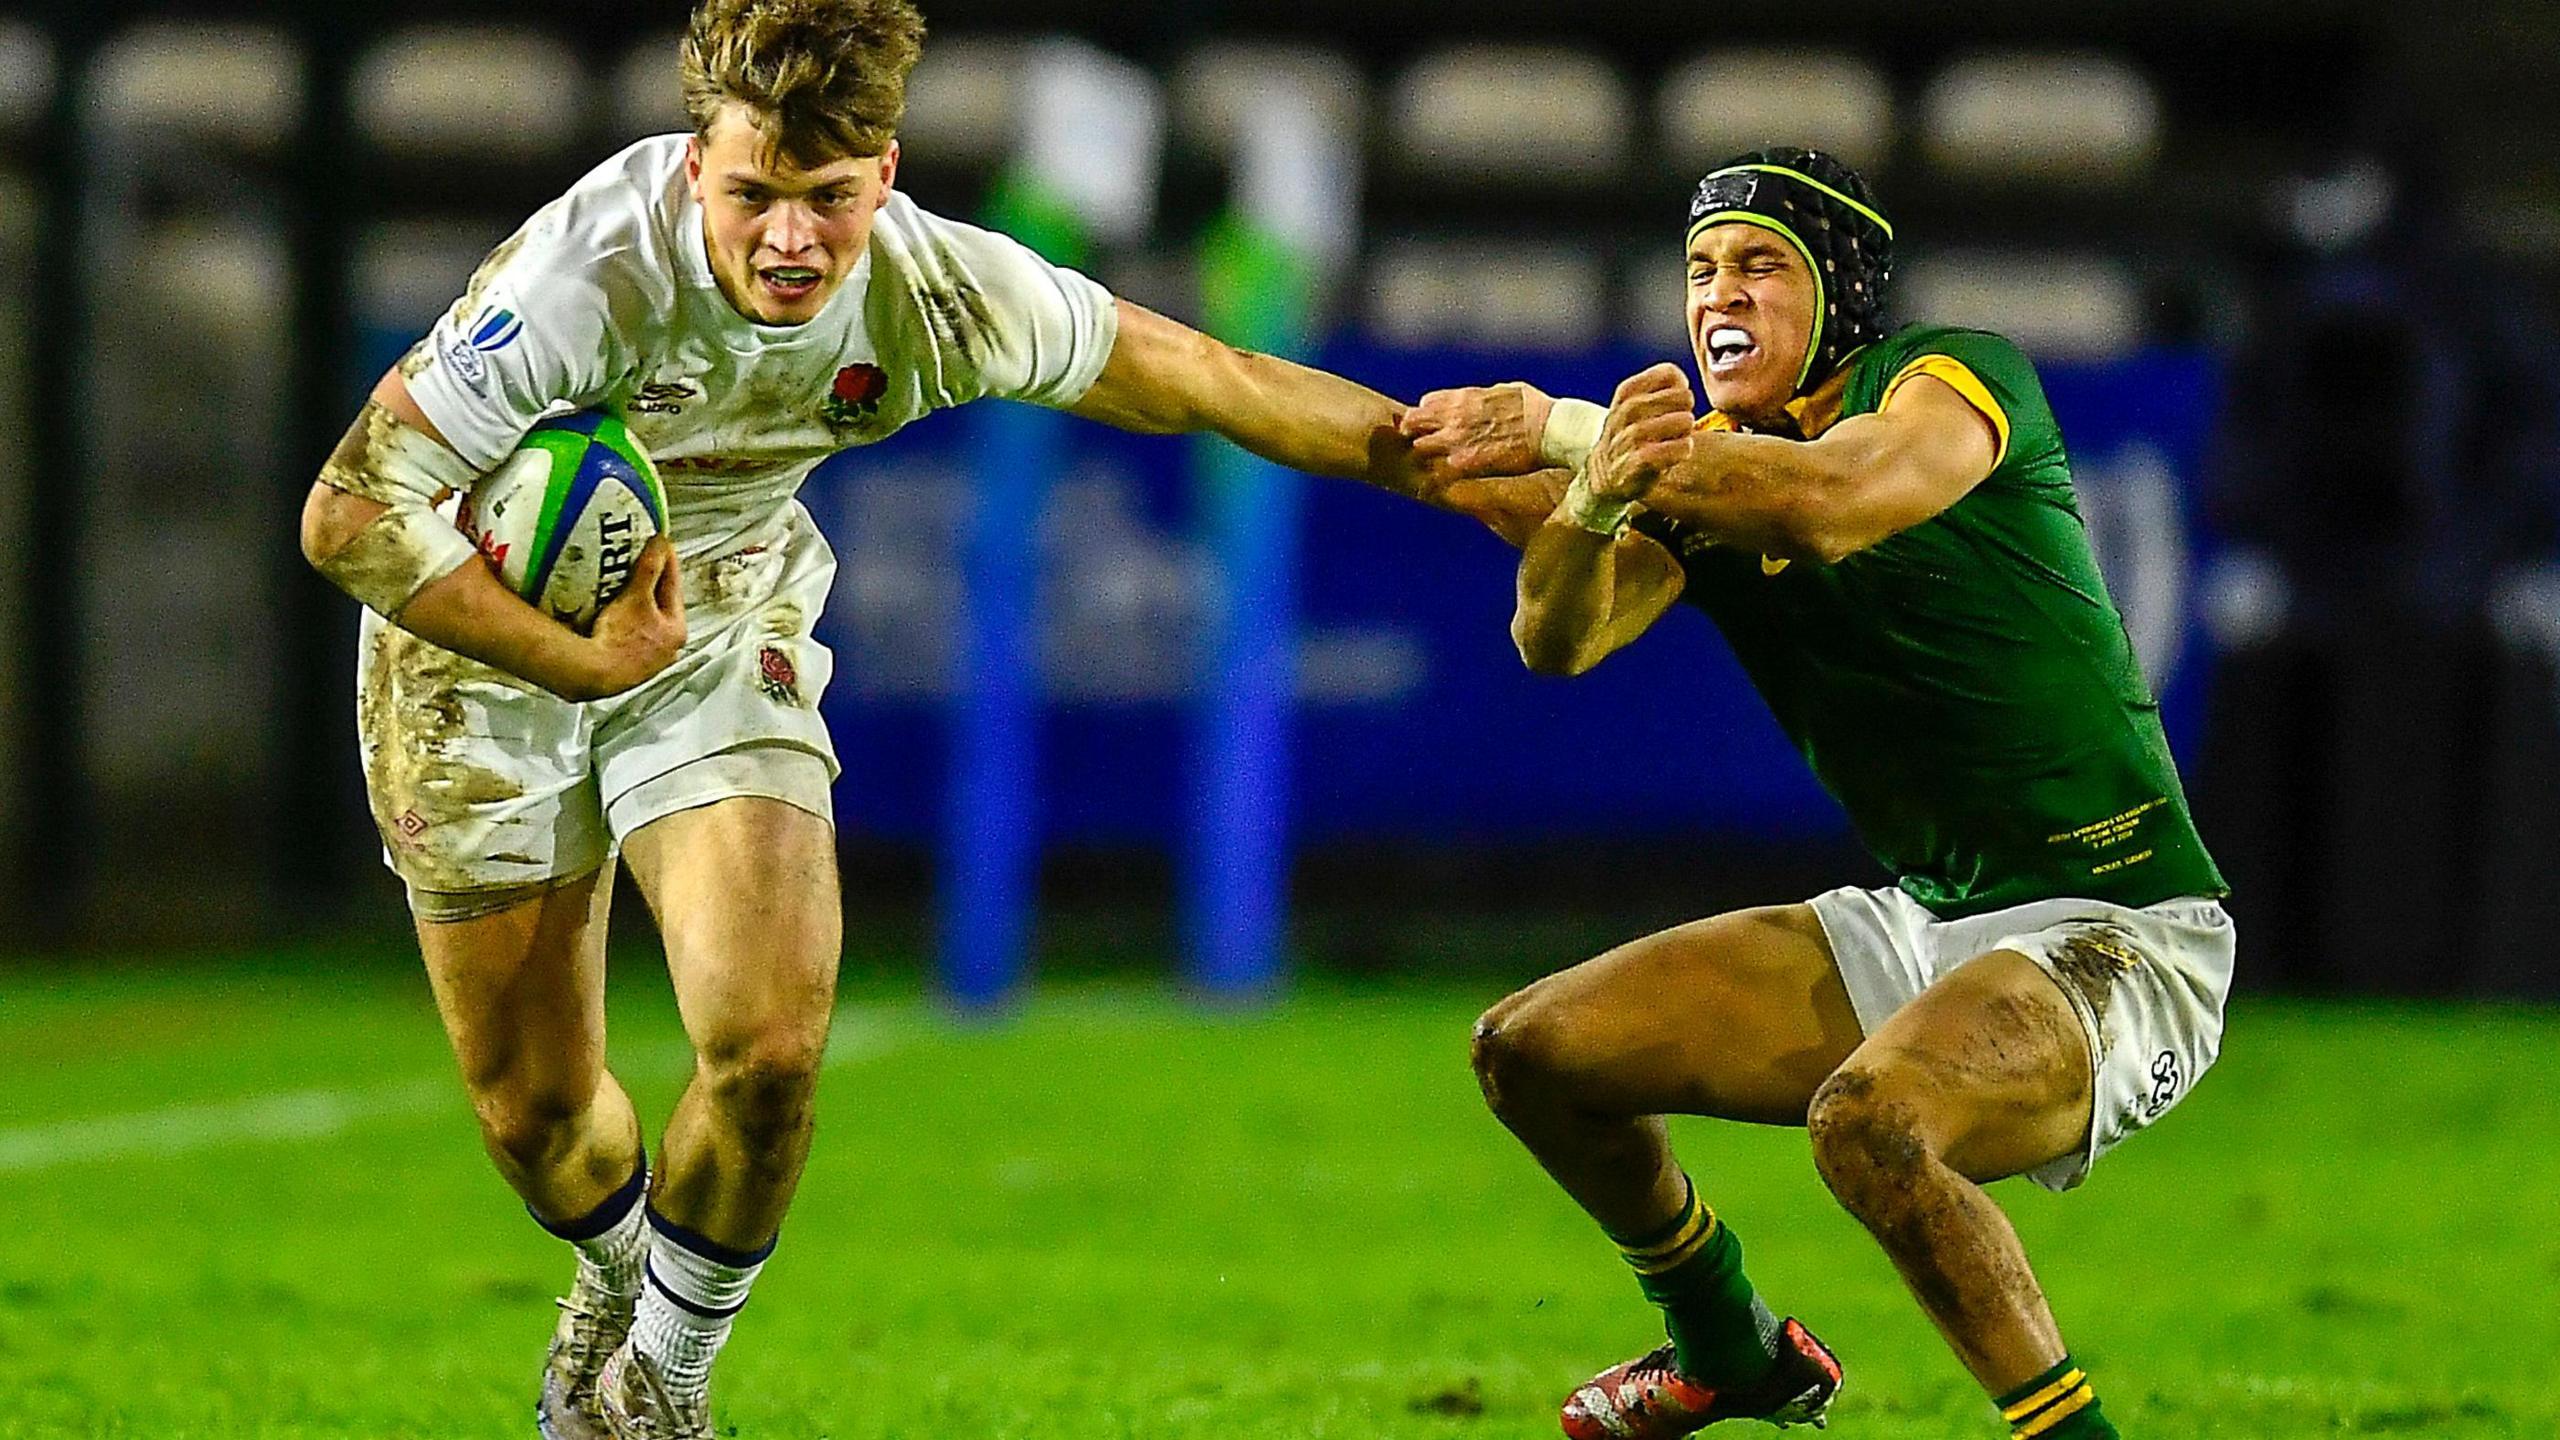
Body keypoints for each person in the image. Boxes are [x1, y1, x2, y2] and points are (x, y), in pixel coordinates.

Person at [295, 3, 1542, 1435]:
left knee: (766, 1052)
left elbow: (1209, 377)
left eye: (828, 201)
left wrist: (1432, 463)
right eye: (754, 194)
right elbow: (346, 515)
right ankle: (612, 1278)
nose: (788, 240)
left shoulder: (939, 288)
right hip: (474, 647)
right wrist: (574, 661)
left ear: (882, 180)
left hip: (718, 621)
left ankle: (660, 1389)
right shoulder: (590, 273)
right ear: (697, 162)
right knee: (537, 1119)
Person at [1399, 149, 2233, 1440]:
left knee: (1870, 1122)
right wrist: (1594, 490)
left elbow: (1840, 502)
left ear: (1841, 291)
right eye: (1699, 270)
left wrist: (1573, 434)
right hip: (1925, 926)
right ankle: (1727, 1350)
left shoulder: (1950, 379)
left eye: (1758, 265)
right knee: (1531, 1053)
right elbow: (1556, 639)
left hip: (2121, 932)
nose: (1719, 296)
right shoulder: (1704, 467)